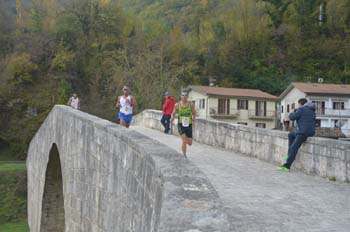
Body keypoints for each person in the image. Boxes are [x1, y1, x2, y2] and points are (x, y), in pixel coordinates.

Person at [277, 98, 316, 171]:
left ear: (300, 104)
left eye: (298, 104)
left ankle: (287, 166)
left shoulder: (301, 110)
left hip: (303, 133)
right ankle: (289, 154)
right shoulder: (312, 110)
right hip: (311, 132)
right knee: (291, 135)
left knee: (294, 148)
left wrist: (292, 112)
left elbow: (292, 118)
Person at [170, 91, 196, 158]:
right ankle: (184, 155)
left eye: (185, 95)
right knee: (184, 141)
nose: (184, 96)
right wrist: (172, 118)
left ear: (187, 97)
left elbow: (194, 113)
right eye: (183, 95)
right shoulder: (177, 105)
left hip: (189, 125)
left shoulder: (191, 104)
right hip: (181, 124)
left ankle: (185, 139)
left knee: (189, 143)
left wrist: (193, 121)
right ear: (180, 96)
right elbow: (173, 113)